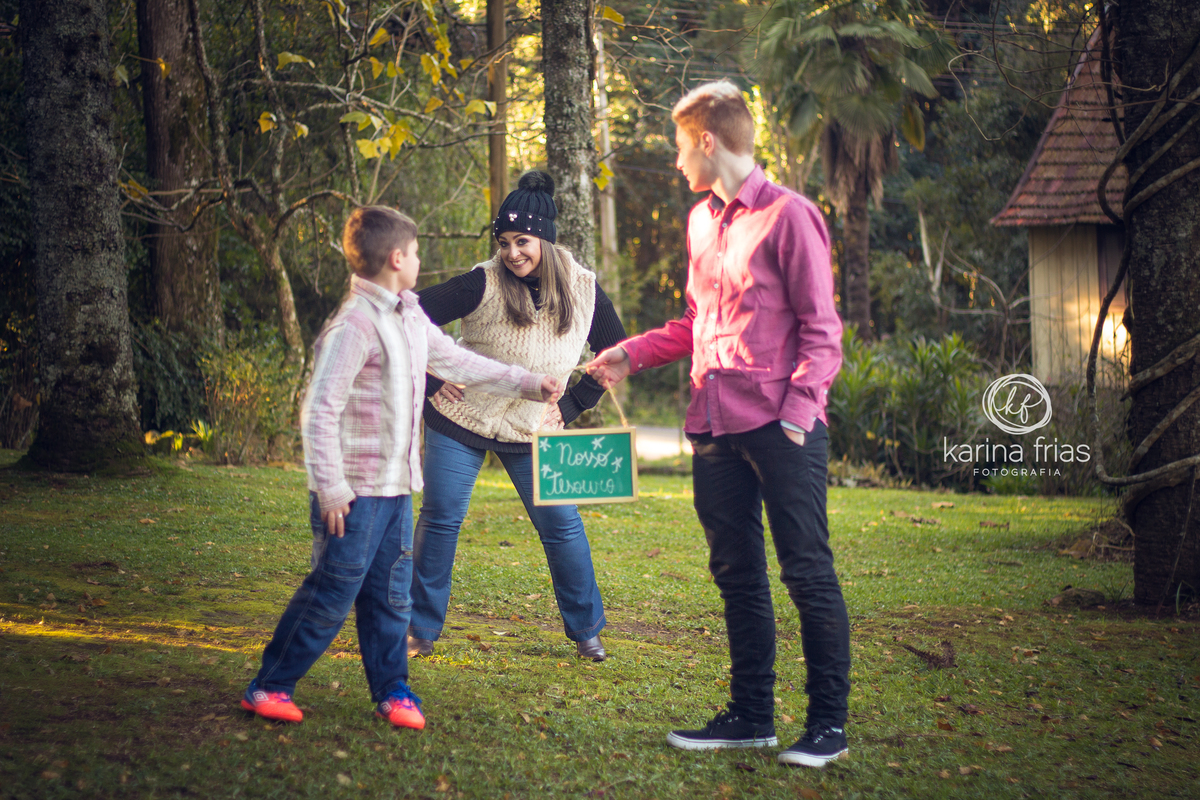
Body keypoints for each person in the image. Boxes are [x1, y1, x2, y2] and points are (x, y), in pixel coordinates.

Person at [586, 81, 851, 767]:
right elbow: (695, 323)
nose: (677, 162)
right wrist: (627, 353)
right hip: (713, 425)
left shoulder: (791, 217)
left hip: (781, 428)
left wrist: (796, 419)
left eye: (680, 147)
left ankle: (827, 727)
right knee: (736, 571)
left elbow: (823, 333)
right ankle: (750, 716)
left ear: (708, 141)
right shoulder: (701, 222)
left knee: (807, 572)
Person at [240, 206, 558, 730]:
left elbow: (458, 361)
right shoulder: (353, 326)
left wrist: (529, 381)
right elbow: (318, 409)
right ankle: (270, 685)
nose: (418, 260)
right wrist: (331, 488)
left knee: (391, 595)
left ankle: (392, 690)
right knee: (332, 592)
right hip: (352, 497)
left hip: (396, 491)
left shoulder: (410, 314)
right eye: (413, 252)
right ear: (395, 258)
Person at [406, 171, 625, 662]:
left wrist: (570, 406)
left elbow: (617, 353)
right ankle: (418, 630)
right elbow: (407, 315)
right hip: (460, 419)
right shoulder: (481, 282)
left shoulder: (585, 290)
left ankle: (586, 629)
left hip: (533, 430)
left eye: (522, 241)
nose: (511, 252)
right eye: (503, 242)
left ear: (545, 239)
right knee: (441, 520)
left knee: (562, 527)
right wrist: (430, 381)